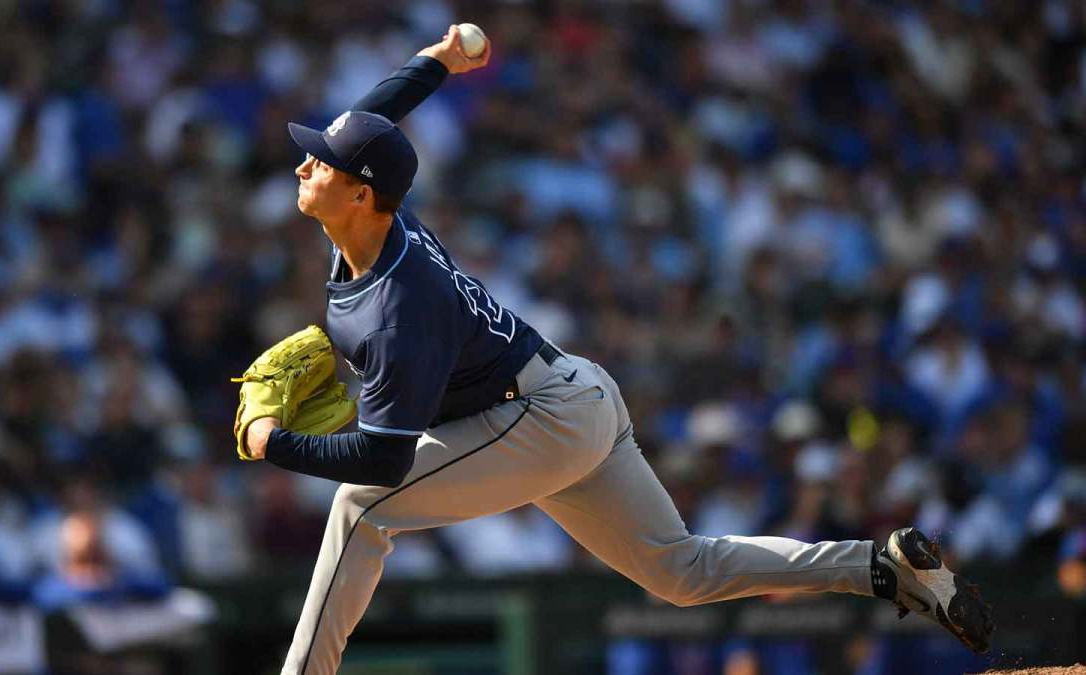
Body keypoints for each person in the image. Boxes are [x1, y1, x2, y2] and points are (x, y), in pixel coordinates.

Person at [240, 26, 994, 675]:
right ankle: (880, 567)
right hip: (572, 395)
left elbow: (381, 463)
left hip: (536, 421)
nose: (305, 166)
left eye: (321, 163)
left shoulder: (403, 305)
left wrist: (274, 441)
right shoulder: (381, 222)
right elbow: (376, 116)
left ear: (362, 193)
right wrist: (435, 62)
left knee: (361, 506)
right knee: (682, 570)